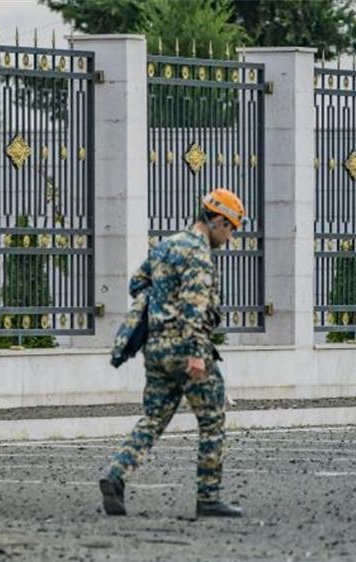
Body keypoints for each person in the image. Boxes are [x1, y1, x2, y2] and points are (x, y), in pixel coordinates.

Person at [99, 188, 246, 518]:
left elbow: (138, 283)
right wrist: (196, 351)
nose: (231, 236)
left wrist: (162, 306)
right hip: (187, 347)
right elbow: (196, 305)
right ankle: (208, 498)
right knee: (212, 419)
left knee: (153, 419)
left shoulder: (165, 245)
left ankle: (116, 475)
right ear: (218, 220)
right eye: (231, 228)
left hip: (157, 347)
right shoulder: (199, 254)